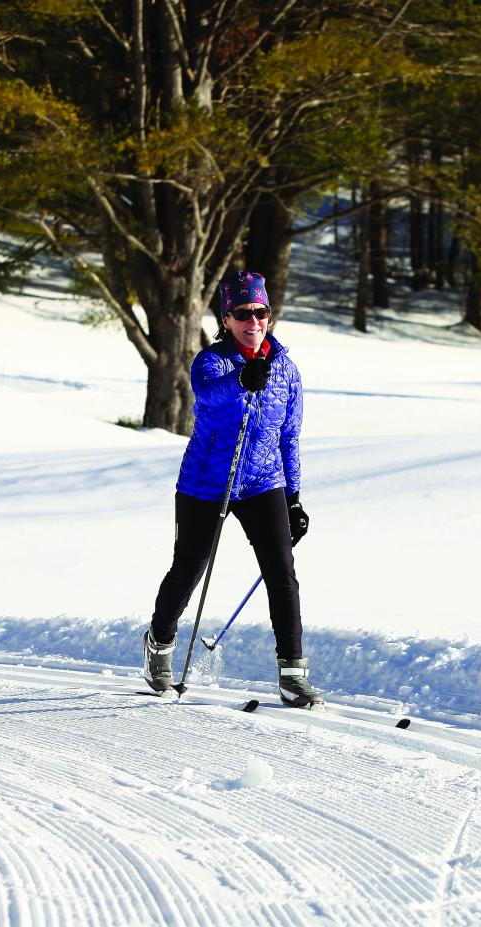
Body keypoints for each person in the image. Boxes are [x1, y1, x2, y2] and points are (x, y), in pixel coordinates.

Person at [142, 270, 323, 708]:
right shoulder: (212, 361)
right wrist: (243, 380)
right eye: (243, 314)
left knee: (282, 572)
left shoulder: (287, 370)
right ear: (227, 318)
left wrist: (294, 498)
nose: (253, 321)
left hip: (264, 481)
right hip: (207, 482)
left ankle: (292, 674)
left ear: (270, 317)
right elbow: (207, 395)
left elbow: (289, 437)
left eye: (261, 313)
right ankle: (159, 644)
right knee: (190, 567)